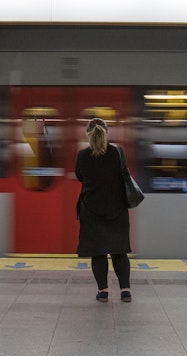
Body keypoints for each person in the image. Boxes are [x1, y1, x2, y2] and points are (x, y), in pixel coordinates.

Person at [75, 118, 132, 303]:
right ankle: (125, 291)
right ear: (106, 133)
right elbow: (124, 174)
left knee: (98, 253)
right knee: (119, 252)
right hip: (117, 210)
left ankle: (103, 291)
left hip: (92, 211)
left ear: (88, 134)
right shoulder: (117, 152)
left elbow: (79, 176)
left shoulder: (82, 156)